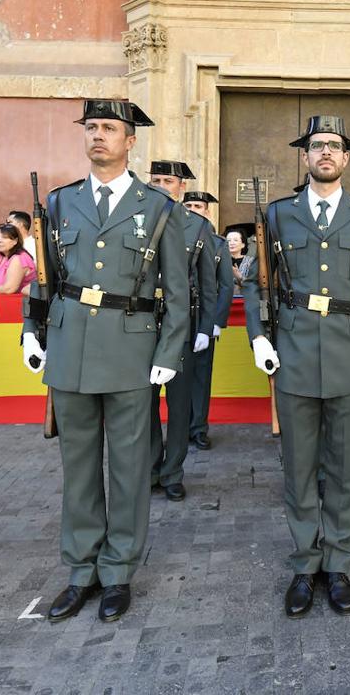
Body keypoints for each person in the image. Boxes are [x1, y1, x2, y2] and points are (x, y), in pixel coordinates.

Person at [21, 99, 188, 623]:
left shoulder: (159, 207)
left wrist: (168, 352)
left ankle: (118, 571)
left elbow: (179, 295)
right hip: (70, 349)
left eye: (109, 128)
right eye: (91, 127)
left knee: (131, 468)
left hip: (131, 351)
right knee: (78, 467)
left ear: (130, 140)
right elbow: (44, 280)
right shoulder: (60, 202)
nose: (98, 136)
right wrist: (33, 332)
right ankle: (80, 569)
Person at [245, 114, 350, 619]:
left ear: (346, 157)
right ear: (305, 157)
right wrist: (259, 338)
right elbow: (254, 282)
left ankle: (338, 563)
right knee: (299, 467)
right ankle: (305, 563)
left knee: (345, 467)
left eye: (334, 146)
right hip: (294, 354)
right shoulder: (277, 214)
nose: (326, 153)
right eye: (317, 146)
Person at [146, 162, 217, 499]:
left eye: (168, 180)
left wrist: (205, 326)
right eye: (156, 179)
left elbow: (208, 284)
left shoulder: (198, 226)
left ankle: (173, 471)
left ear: (181, 187)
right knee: (143, 405)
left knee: (178, 406)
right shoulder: (137, 215)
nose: (161, 185)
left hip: (181, 327)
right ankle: (148, 469)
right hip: (141, 326)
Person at [183, 190, 234, 449]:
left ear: (207, 211)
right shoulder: (173, 236)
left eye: (198, 206)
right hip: (178, 317)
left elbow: (225, 286)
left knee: (201, 376)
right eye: (189, 204)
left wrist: (215, 321)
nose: (193, 209)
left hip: (204, 316)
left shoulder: (218, 243)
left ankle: (199, 428)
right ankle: (180, 428)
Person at [0, 222, 36, 294]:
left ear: (15, 241)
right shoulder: (0, 256)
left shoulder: (19, 258)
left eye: (5, 237)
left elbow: (9, 289)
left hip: (20, 303)